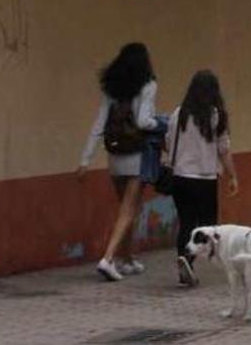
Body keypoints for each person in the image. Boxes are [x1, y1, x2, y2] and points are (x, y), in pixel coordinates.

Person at [77, 42, 163, 282]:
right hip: (137, 154)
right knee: (128, 210)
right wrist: (162, 124)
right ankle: (108, 258)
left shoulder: (111, 88)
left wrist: (85, 158)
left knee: (126, 210)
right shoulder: (148, 85)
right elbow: (144, 121)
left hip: (115, 155)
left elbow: (99, 123)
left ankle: (128, 259)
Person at [165, 70, 240, 288]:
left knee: (186, 222)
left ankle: (184, 260)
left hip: (180, 177)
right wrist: (233, 176)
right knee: (208, 225)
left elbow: (168, 142)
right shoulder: (216, 116)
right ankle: (191, 260)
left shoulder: (178, 113)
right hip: (205, 179)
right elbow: (224, 149)